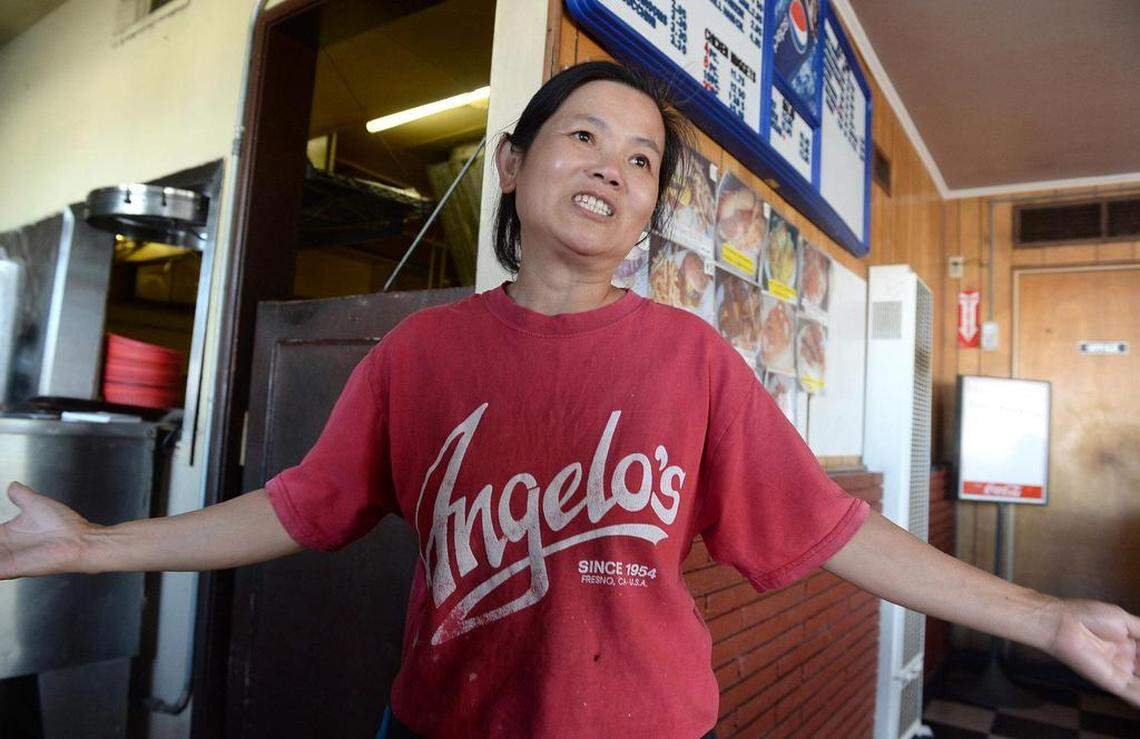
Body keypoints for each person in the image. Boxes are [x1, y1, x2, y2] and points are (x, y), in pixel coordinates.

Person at [1, 61, 1137, 738]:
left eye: (641, 161)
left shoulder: (694, 359)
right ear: (512, 161)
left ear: (648, 208)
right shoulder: (417, 354)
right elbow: (298, 507)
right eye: (584, 136)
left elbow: (837, 529)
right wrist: (92, 544)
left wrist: (1045, 619)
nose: (611, 167)